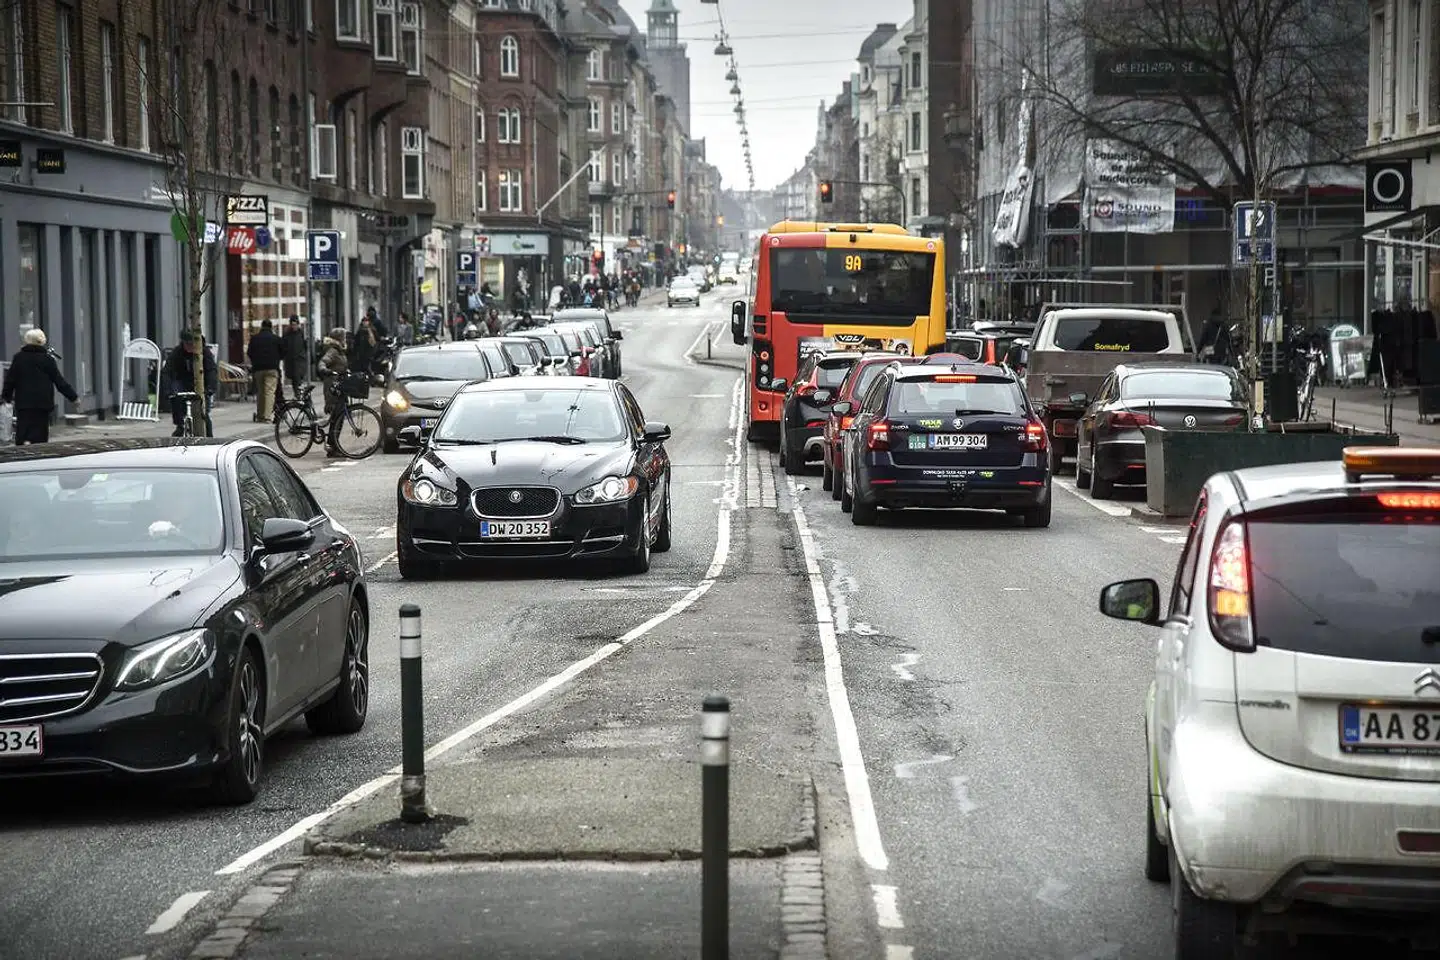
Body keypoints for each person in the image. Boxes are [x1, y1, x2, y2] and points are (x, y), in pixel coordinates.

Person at [1, 328, 78, 445]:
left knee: (23, 430)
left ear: (26, 341)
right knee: (40, 434)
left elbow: (10, 380)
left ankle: (23, 449)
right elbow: (59, 381)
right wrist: (73, 397)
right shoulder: (48, 360)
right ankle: (38, 455)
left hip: (24, 402)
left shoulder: (19, 358)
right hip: (43, 402)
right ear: (42, 341)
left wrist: (6, 397)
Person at [162, 330, 218, 437]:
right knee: (176, 396)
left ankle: (209, 437)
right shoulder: (177, 353)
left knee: (203, 414)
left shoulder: (204, 352)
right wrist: (167, 390)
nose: (190, 347)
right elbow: (167, 371)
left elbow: (211, 370)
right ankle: (180, 425)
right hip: (182, 382)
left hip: (200, 383)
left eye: (192, 344)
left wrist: (211, 388)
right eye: (187, 344)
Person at [316, 328, 350, 457]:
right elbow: (323, 362)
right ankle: (332, 446)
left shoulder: (340, 350)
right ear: (339, 339)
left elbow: (341, 365)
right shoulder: (333, 351)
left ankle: (333, 445)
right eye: (344, 337)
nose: (345, 339)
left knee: (338, 418)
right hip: (332, 388)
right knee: (337, 417)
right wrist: (325, 370)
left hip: (339, 387)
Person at [246, 319, 282, 423]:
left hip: (258, 369)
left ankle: (260, 415)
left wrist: (256, 361)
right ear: (271, 327)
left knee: (260, 392)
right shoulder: (276, 339)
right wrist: (276, 359)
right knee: (269, 392)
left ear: (261, 327)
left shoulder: (255, 339)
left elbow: (249, 352)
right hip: (272, 368)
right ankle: (267, 416)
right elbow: (283, 351)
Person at [281, 316, 309, 398]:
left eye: (295, 324)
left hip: (300, 360)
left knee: (298, 378)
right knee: (294, 379)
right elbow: (284, 346)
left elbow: (306, 346)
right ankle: (298, 394)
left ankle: (299, 395)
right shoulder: (287, 334)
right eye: (292, 325)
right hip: (290, 360)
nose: (294, 326)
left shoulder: (301, 333)